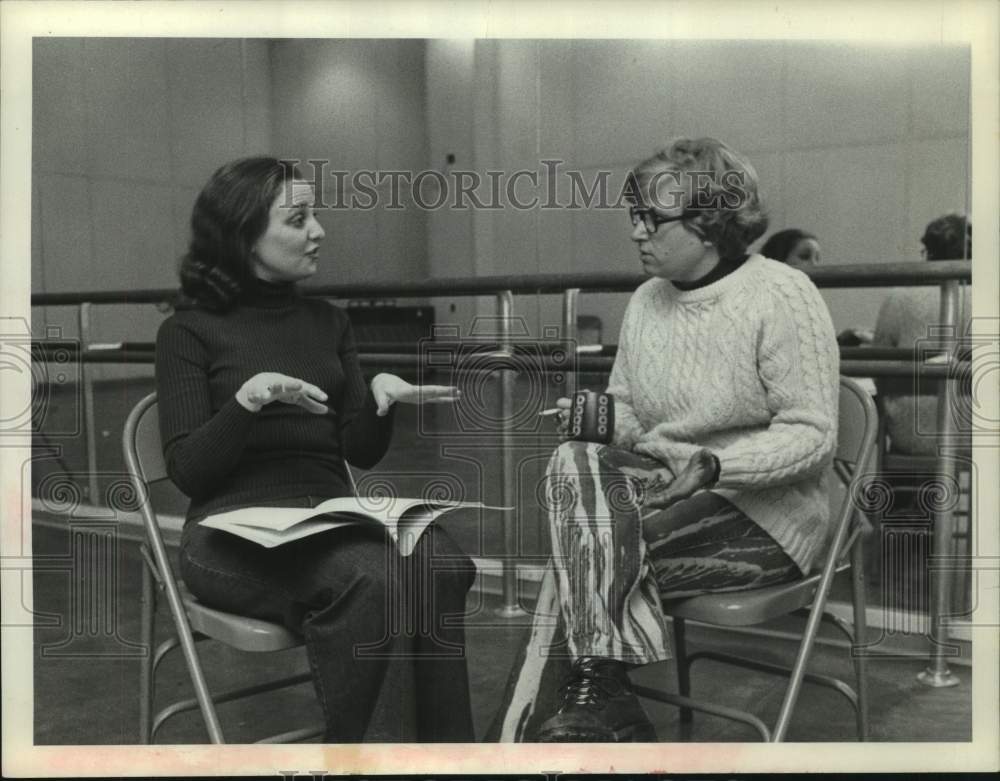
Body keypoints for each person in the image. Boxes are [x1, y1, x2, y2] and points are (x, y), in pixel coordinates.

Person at [491, 138, 840, 742]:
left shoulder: (780, 293)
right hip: (660, 492)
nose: (635, 233)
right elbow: (632, 412)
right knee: (573, 461)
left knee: (577, 567)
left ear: (708, 222)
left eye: (650, 218)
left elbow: (812, 436)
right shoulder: (647, 301)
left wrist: (712, 467)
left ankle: (559, 731)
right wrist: (598, 419)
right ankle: (601, 710)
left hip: (764, 516)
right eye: (633, 216)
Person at [155, 156, 477, 743]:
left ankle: (441, 756)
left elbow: (360, 451)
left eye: (315, 215)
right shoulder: (188, 331)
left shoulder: (328, 322)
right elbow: (189, 472)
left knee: (441, 563)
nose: (318, 230)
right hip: (225, 533)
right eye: (297, 219)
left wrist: (380, 403)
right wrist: (245, 404)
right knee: (372, 578)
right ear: (243, 234)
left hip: (326, 517)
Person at [872, 212, 971, 455]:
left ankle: (898, 491)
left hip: (910, 434)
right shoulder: (989, 296)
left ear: (927, 252)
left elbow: (878, 366)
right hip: (978, 430)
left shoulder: (898, 297)